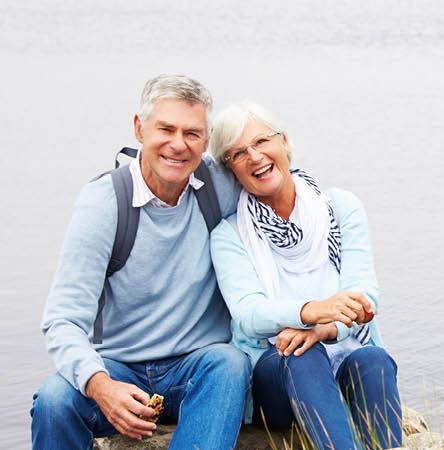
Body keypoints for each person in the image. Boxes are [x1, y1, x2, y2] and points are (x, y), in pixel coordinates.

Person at [31, 75, 248, 450]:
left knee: (229, 363)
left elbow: (283, 188)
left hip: (196, 370)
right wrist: (101, 386)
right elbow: (63, 319)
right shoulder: (104, 203)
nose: (178, 145)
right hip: (119, 369)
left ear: (207, 140)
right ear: (139, 128)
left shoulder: (219, 187)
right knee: (54, 400)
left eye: (192, 133)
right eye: (166, 129)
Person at [208, 101, 402, 450]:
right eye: (238, 153)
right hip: (275, 373)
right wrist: (310, 311)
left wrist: (324, 329)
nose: (254, 156)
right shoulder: (229, 235)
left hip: (342, 345)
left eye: (262, 141)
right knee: (300, 353)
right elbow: (249, 315)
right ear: (230, 169)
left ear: (283, 142)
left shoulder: (341, 208)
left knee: (373, 360)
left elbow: (365, 297)